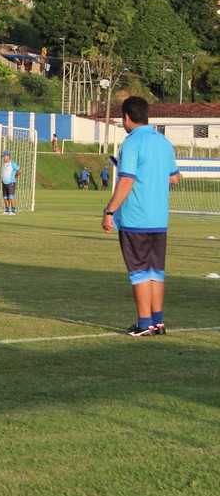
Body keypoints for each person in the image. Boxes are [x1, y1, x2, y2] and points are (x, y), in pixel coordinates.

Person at [102, 96, 180, 336]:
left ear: (126, 117)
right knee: (156, 273)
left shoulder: (132, 143)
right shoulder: (163, 142)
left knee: (139, 273)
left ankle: (144, 324)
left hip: (136, 219)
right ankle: (158, 323)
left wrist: (110, 211)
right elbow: (174, 177)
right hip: (159, 219)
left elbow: (126, 180)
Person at [0, 151, 22, 215]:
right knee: (5, 197)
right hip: (4, 182)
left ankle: (13, 211)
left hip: (10, 182)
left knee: (11, 196)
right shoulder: (4, 163)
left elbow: (19, 170)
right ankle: (6, 210)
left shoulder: (12, 163)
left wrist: (15, 176)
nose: (3, 158)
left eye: (4, 156)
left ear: (8, 156)